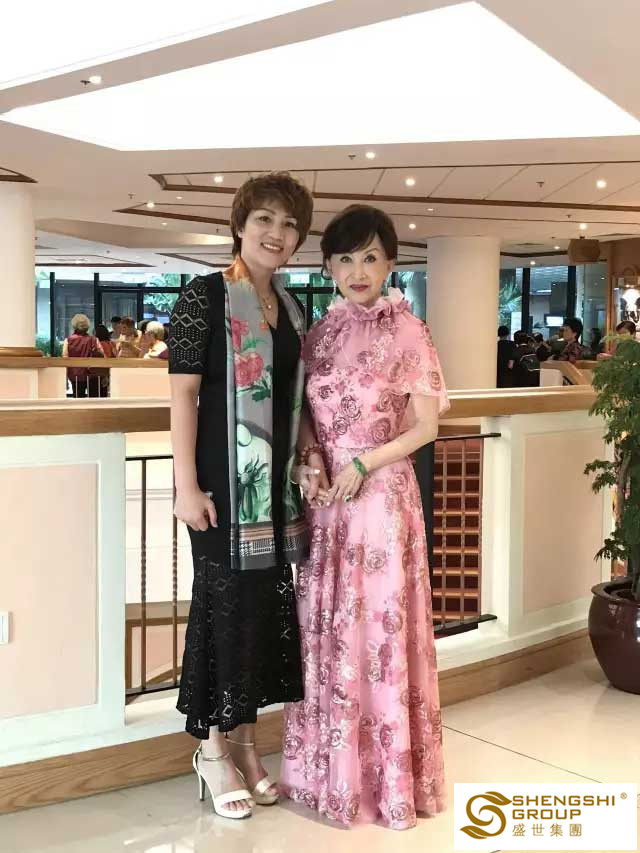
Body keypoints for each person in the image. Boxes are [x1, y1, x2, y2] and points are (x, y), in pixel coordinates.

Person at [281, 205, 448, 830]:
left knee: (376, 630)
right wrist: (309, 460)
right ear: (328, 265)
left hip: (380, 500)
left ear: (390, 263)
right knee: (326, 628)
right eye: (345, 258)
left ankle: (386, 782)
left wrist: (361, 464)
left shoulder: (410, 332)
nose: (357, 271)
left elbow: (426, 428)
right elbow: (303, 411)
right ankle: (326, 774)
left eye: (370, 258)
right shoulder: (319, 333)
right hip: (328, 503)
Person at [168, 172, 318, 820]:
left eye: (289, 225)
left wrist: (309, 455)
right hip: (220, 488)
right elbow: (183, 395)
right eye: (265, 219)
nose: (276, 234)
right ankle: (211, 751)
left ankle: (250, 747)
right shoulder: (204, 295)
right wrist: (185, 485)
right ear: (239, 224)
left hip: (273, 493)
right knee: (221, 614)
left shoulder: (291, 306)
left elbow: (294, 397)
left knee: (260, 617)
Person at [62, 314, 104, 398]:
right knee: (94, 399)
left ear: (74, 326)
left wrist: (65, 377)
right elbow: (102, 356)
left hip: (75, 375)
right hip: (92, 374)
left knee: (78, 399)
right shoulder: (94, 340)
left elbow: (65, 358)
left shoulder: (68, 340)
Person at [92, 323, 116, 397]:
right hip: (108, 370)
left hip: (98, 371)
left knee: (96, 394)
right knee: (104, 393)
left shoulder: (98, 344)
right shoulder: (111, 343)